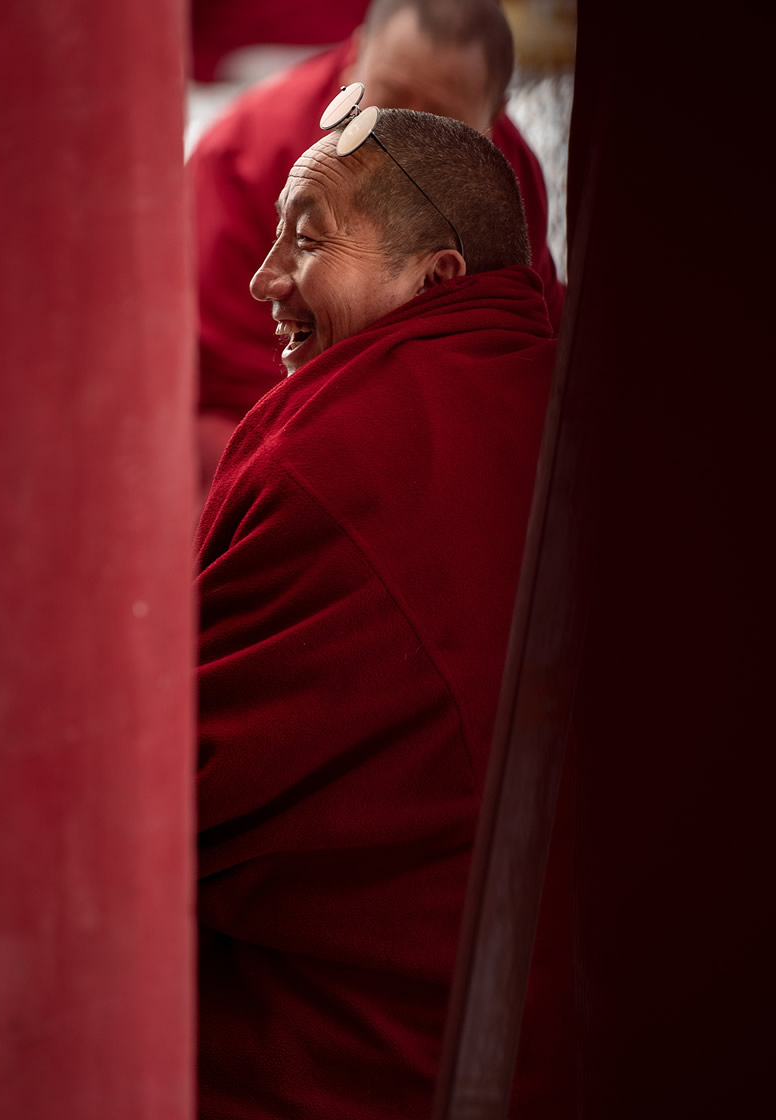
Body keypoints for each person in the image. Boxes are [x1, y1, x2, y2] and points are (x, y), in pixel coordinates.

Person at [195, 101, 557, 1120]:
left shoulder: (341, 458)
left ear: (435, 278)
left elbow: (169, 787)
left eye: (305, 237)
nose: (265, 276)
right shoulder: (575, 402)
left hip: (379, 1066)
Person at [189, 0, 565, 504]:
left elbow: (519, 342)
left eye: (440, 123)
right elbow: (219, 383)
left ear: (493, 118)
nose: (400, 150)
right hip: (281, 435)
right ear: (354, 59)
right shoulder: (242, 157)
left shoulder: (503, 176)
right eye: (382, 105)